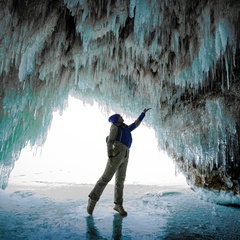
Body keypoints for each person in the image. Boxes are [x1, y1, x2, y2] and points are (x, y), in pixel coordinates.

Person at [87, 108, 151, 216]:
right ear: (117, 119)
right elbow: (110, 141)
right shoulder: (115, 126)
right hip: (117, 152)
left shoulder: (125, 127)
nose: (123, 118)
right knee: (106, 177)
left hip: (126, 152)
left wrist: (143, 114)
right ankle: (92, 200)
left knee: (120, 180)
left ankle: (118, 205)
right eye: (121, 117)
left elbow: (135, 124)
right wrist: (110, 155)